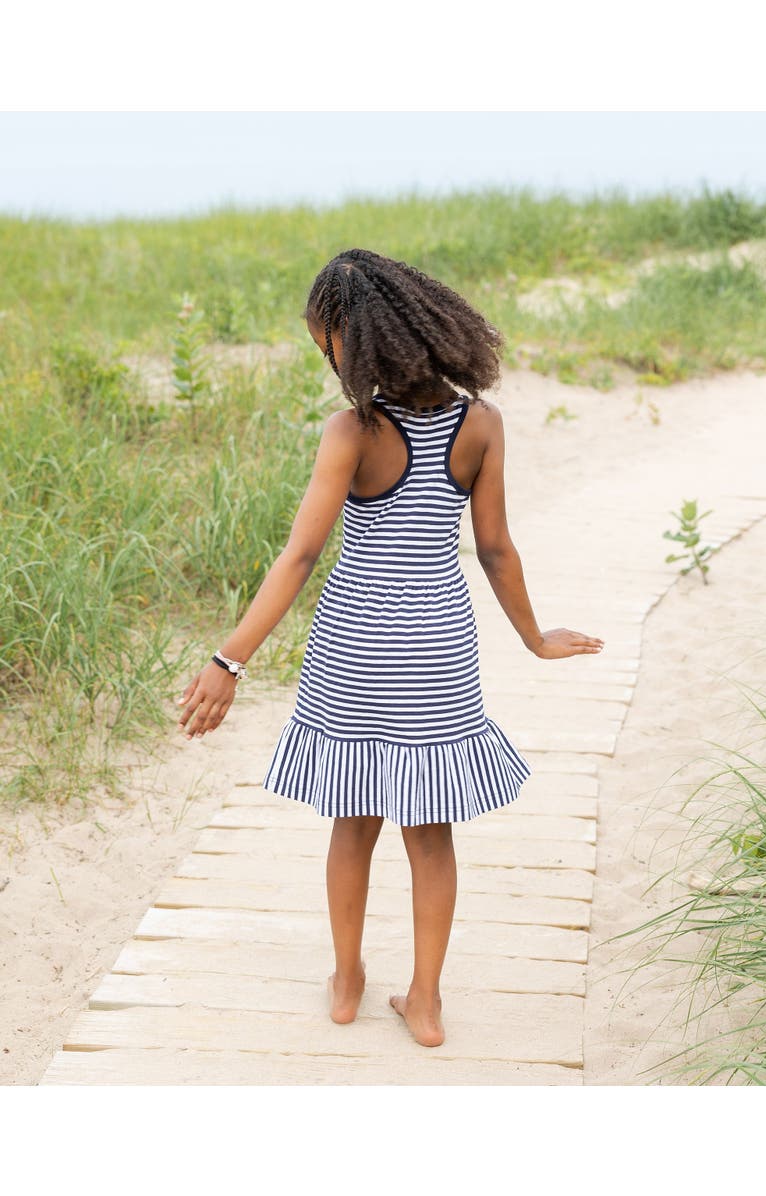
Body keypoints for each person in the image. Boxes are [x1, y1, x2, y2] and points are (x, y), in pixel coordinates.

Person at [176, 247, 604, 1048]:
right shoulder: (480, 423)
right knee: (431, 830)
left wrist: (228, 660)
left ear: (358, 339)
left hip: (355, 647)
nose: (327, 358)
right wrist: (535, 639)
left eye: (325, 342)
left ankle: (345, 980)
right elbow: (497, 548)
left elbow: (299, 556)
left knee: (352, 818)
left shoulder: (353, 431)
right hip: (438, 647)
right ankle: (428, 1000)